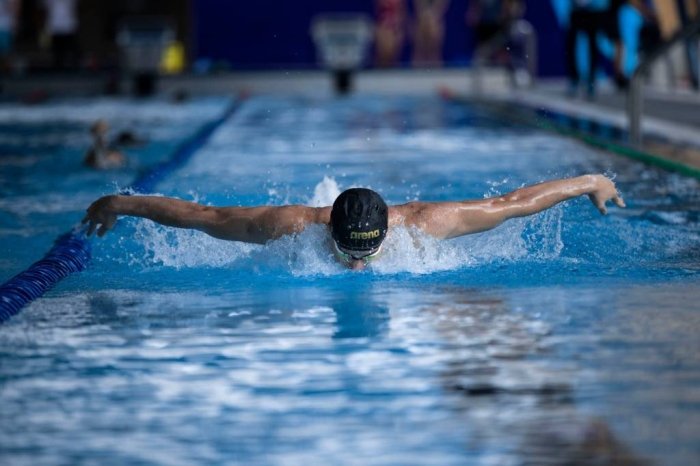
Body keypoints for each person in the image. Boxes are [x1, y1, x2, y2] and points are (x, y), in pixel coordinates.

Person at [83, 174, 625, 271]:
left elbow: (514, 202)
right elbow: (205, 217)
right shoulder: (290, 226)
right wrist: (119, 202)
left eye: (365, 252)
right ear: (329, 234)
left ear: (389, 229)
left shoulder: (427, 224)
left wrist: (589, 182)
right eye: (349, 254)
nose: (358, 265)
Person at [411, 0, 450, 66]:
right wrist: (424, 14)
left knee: (434, 48)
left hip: (436, 16)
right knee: (420, 47)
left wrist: (435, 14)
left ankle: (436, 72)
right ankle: (416, 72)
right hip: (421, 15)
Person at [374, 0, 406, 68]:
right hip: (382, 24)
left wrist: (399, 28)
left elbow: (402, 12)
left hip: (395, 26)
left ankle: (393, 73)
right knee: (384, 43)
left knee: (393, 41)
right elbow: (376, 12)